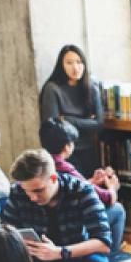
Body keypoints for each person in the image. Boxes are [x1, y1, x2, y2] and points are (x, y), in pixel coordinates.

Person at [2, 149, 111, 262]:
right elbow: (5, 233)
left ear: (53, 178)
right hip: (37, 260)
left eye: (38, 190)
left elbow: (103, 243)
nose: (33, 197)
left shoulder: (82, 190)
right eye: (27, 191)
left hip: (75, 256)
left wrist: (60, 252)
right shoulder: (17, 192)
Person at [39, 117, 125, 253]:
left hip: (51, 226)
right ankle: (112, 256)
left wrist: (91, 181)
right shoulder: (65, 168)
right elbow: (107, 198)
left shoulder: (41, 164)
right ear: (67, 146)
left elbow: (71, 186)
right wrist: (112, 187)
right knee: (118, 210)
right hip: (74, 226)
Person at [39, 44, 103, 177]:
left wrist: (67, 119)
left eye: (79, 62)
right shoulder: (52, 89)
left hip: (88, 149)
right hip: (64, 153)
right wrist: (86, 122)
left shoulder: (91, 87)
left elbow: (99, 124)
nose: (75, 67)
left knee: (94, 187)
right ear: (61, 65)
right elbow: (54, 129)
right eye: (69, 63)